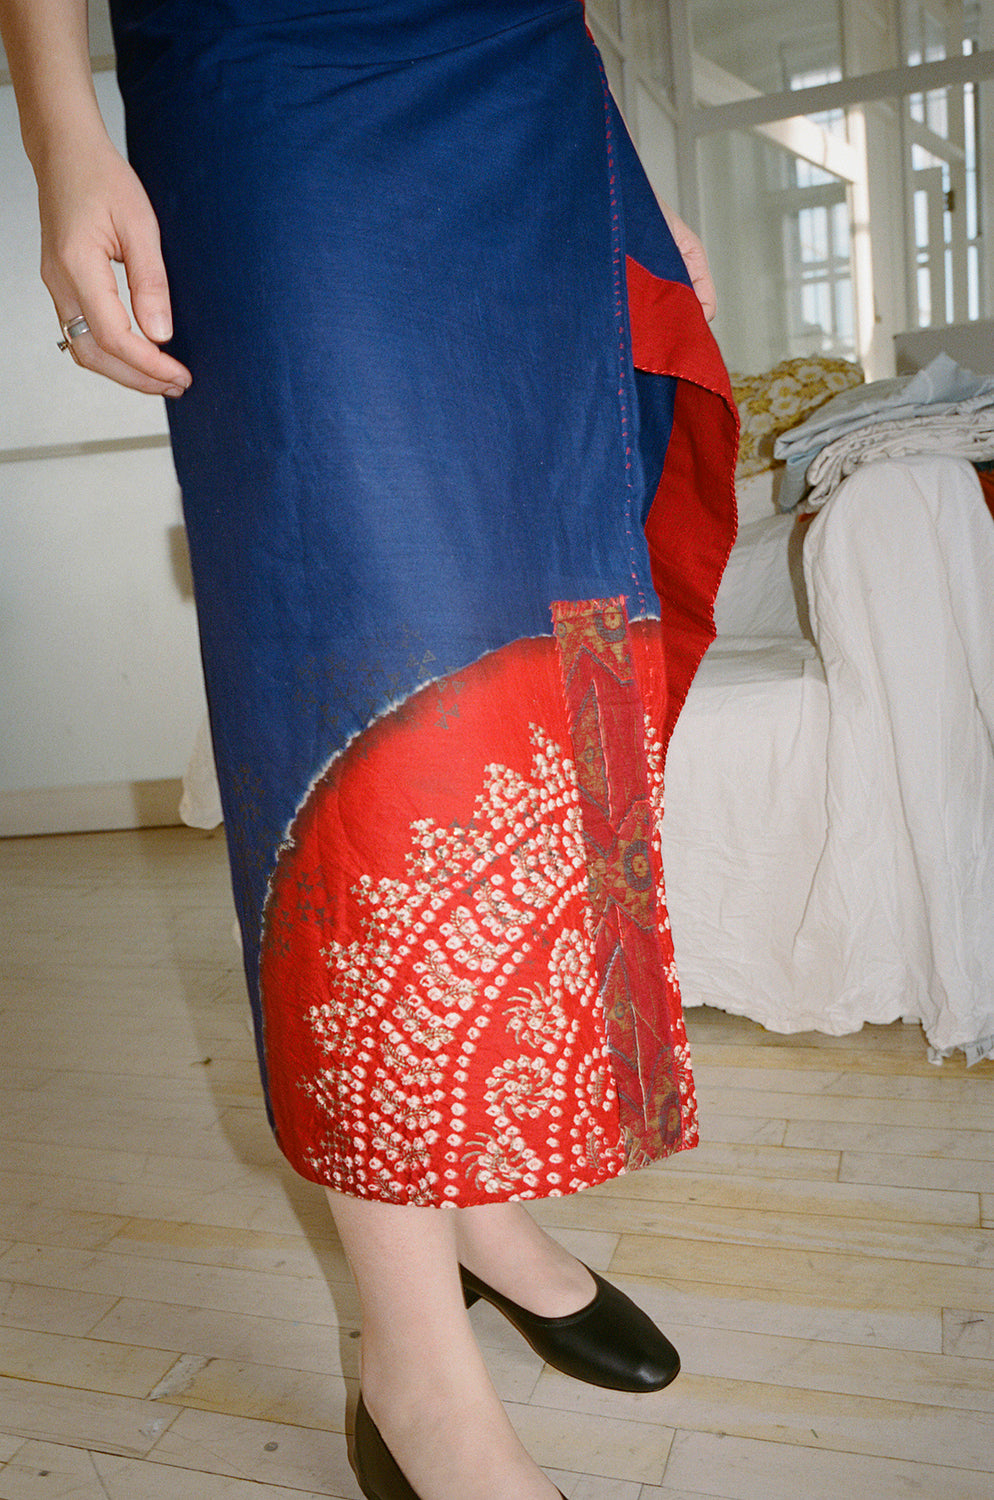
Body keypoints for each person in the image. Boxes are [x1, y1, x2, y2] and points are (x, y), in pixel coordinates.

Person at [0, 3, 737, 1497]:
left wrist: (623, 148)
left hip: (527, 82)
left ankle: (484, 1215)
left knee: (565, 627)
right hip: (279, 74)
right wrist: (62, 130)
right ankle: (411, 1365)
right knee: (367, 671)